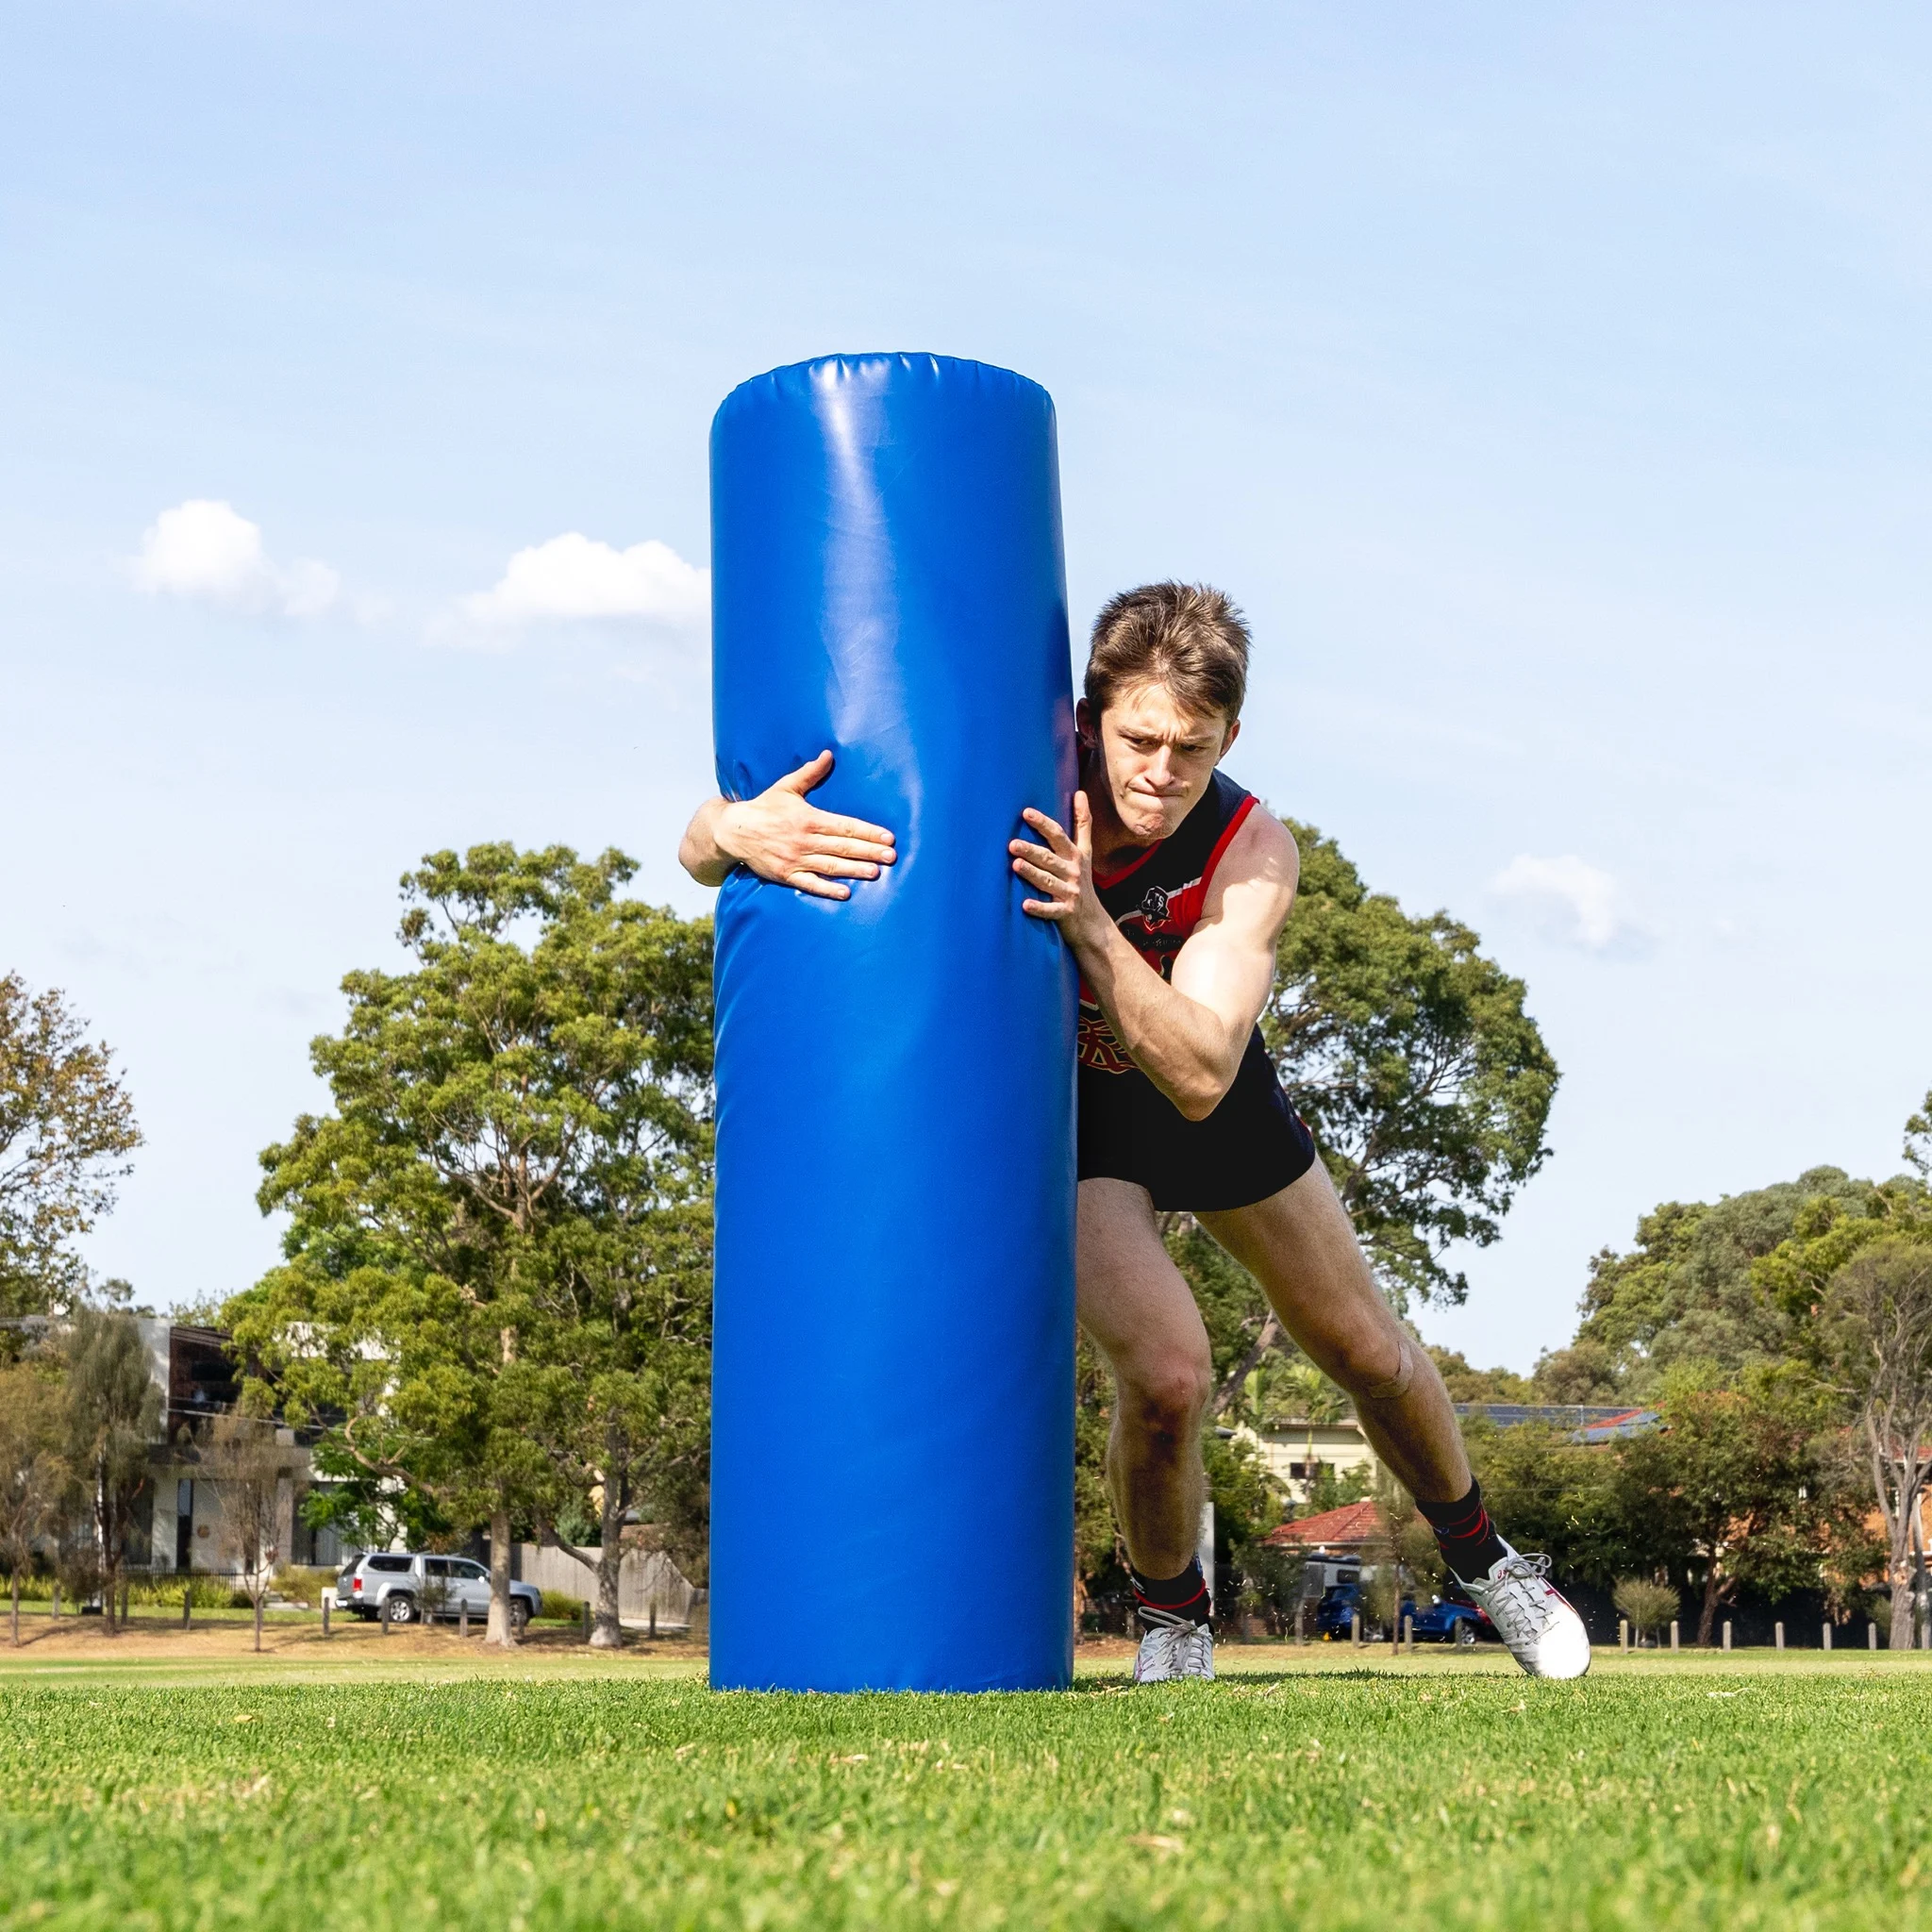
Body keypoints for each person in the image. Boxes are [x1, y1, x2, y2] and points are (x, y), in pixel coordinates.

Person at [677, 581, 1591, 1684]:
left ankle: (1489, 1563)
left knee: (1369, 1352)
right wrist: (730, 828)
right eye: (1138, 739)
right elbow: (700, 844)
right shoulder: (1011, 777)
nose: (1160, 772)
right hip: (1079, 1118)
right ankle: (1171, 1620)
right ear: (1087, 715)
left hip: (1194, 1080)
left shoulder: (1251, 849)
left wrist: (1093, 925)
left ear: (1229, 739)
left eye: (1191, 749)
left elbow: (1203, 1070)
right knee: (1165, 1374)